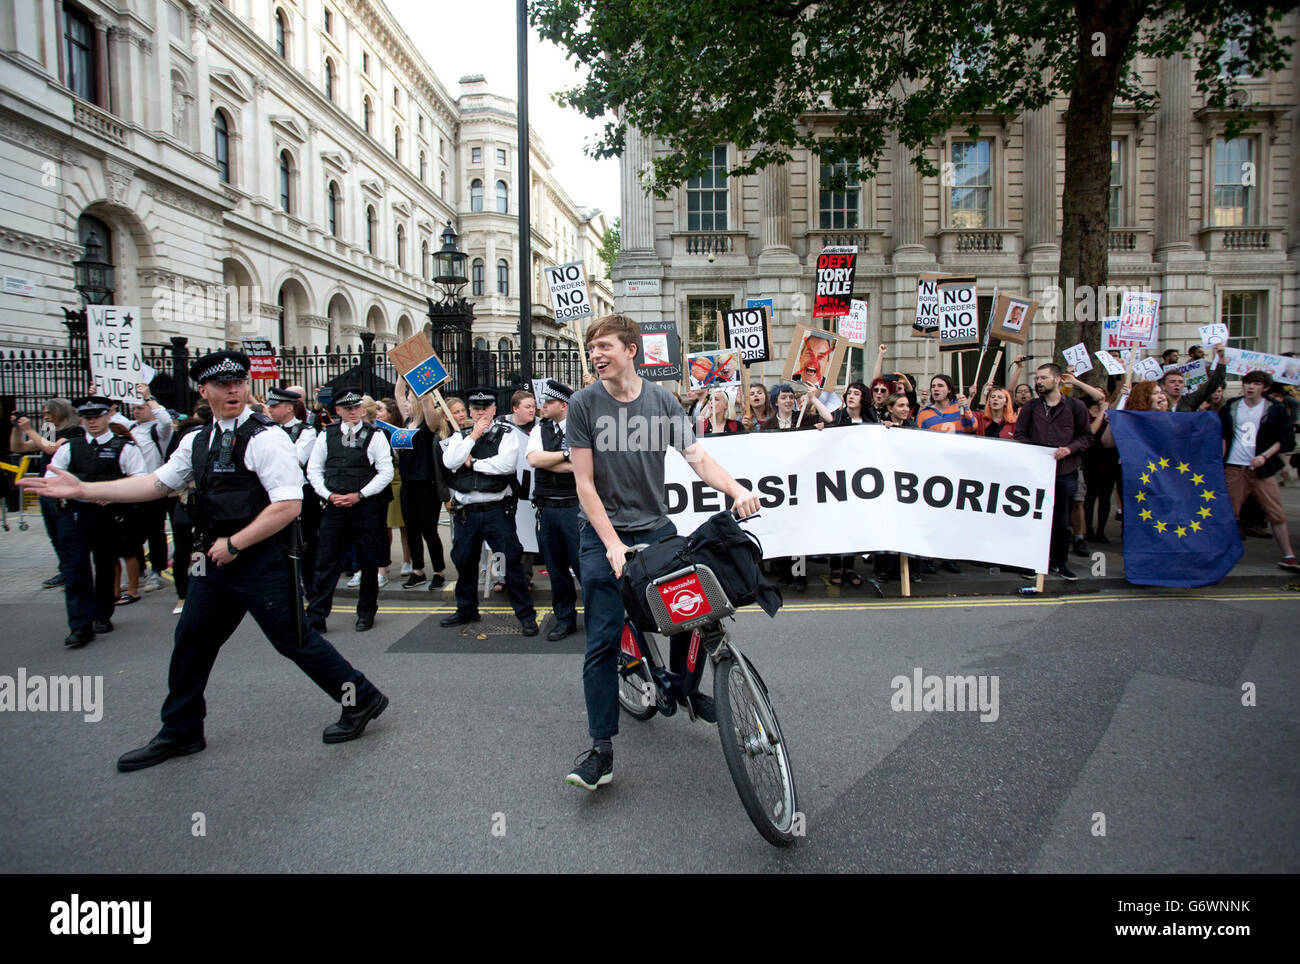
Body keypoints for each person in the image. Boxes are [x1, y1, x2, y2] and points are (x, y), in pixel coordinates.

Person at [22, 351, 390, 770]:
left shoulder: (265, 438)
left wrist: (234, 544)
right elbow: (156, 483)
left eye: (238, 383)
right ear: (204, 390)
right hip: (215, 562)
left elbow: (287, 505)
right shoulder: (197, 439)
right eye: (222, 385)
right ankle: (181, 730)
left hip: (260, 559)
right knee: (192, 639)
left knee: (295, 640)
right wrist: (84, 491)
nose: (233, 391)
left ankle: (361, 698)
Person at [563, 314, 760, 791]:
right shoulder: (583, 404)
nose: (596, 354)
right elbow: (583, 482)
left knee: (690, 611)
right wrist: (611, 543)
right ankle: (601, 751)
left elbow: (697, 458)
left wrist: (736, 489)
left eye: (605, 346)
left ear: (631, 350)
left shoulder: (662, 401)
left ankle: (683, 689)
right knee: (603, 641)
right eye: (592, 348)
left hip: (654, 528)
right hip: (601, 535)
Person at [42, 395, 148, 646]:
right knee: (75, 568)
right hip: (76, 514)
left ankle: (102, 614)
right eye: (87, 417)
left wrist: (111, 496)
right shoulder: (70, 447)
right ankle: (79, 625)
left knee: (105, 565)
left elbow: (139, 480)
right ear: (81, 418)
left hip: (107, 515)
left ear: (108, 416)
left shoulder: (124, 447)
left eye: (97, 416)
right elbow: (53, 475)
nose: (92, 422)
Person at [439, 387, 538, 636]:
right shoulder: (460, 435)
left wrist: (472, 462)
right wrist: (473, 436)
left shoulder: (507, 434)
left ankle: (525, 615)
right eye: (476, 408)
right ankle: (466, 609)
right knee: (464, 562)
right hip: (467, 512)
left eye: (486, 408)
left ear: (494, 409)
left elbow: (504, 466)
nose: (481, 412)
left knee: (511, 564)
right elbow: (450, 463)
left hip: (496, 510)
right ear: (470, 410)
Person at [305, 386, 394, 633]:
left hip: (364, 507)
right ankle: (317, 616)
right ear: (338, 411)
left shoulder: (375, 435)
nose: (354, 412)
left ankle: (366, 612)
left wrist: (359, 495)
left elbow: (385, 472)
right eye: (348, 408)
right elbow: (314, 470)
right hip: (334, 507)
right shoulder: (326, 435)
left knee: (369, 561)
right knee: (326, 563)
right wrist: (329, 495)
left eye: (357, 407)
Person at [1014, 363, 1094, 581]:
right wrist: (1034, 451)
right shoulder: (1031, 407)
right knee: (1034, 518)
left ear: (1058, 380)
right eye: (1037, 378)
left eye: (1044, 378)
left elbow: (1086, 437)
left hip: (1064, 472)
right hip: (1036, 473)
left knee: (1061, 521)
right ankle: (1032, 562)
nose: (1039, 382)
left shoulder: (1075, 406)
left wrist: (1069, 449)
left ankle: (1059, 563)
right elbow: (1019, 434)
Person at [1221, 371, 1298, 571]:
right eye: (1248, 383)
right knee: (1230, 513)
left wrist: (1264, 456)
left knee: (1276, 513)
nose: (1250, 387)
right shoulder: (1232, 406)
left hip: (1262, 468)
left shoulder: (1275, 409)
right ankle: (1225, 553)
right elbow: (1220, 433)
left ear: (1265, 387)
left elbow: (1286, 439)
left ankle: (1288, 555)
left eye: (1256, 383)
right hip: (1234, 466)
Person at [526, 379, 582, 641]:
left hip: (574, 507)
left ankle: (598, 618)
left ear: (563, 404)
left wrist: (556, 461)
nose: (542, 406)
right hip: (547, 508)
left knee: (585, 568)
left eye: (548, 402)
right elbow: (534, 459)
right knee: (556, 569)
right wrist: (565, 455)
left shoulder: (579, 427)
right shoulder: (540, 429)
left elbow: (578, 468)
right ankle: (565, 619)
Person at [11, 398, 80, 588]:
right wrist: (18, 429)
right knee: (54, 535)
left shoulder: (74, 431)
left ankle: (72, 571)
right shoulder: (48, 431)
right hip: (45, 490)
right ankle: (64, 570)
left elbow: (50, 448)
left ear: (62, 412)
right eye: (44, 413)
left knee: (66, 535)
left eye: (49, 413)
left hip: (63, 492)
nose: (46, 416)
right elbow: (18, 448)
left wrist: (28, 430)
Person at [391, 379, 450, 591]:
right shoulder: (407, 422)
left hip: (427, 485)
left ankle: (439, 571)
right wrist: (401, 373)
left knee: (429, 530)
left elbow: (426, 401)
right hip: (408, 485)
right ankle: (417, 570)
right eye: (406, 401)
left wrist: (424, 391)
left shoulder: (429, 423)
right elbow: (398, 394)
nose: (406, 404)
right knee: (412, 529)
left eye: (410, 400)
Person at [265, 386, 320, 597]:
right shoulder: (268, 431)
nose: (271, 410)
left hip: (301, 495)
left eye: (276, 406)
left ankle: (312, 591)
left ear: (289, 408)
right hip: (275, 495)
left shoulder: (305, 431)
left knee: (306, 545)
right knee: (279, 544)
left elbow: (295, 460)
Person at [375, 397, 408, 589]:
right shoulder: (375, 431)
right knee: (384, 527)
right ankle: (382, 566)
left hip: (397, 479)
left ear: (391, 413)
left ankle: (407, 560)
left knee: (404, 525)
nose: (378, 413)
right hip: (382, 482)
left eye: (381, 409)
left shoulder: (397, 431)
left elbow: (400, 456)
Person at [1161, 344, 1226, 412]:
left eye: (1180, 382)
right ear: (1163, 386)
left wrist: (1221, 360)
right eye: (1172, 381)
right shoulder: (1158, 401)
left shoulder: (1189, 400)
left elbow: (1211, 385)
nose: (1177, 384)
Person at [763, 383, 830, 432]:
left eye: (791, 397)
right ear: (776, 402)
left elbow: (828, 419)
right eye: (783, 398)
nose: (788, 400)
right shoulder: (767, 426)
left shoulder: (803, 417)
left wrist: (813, 398)